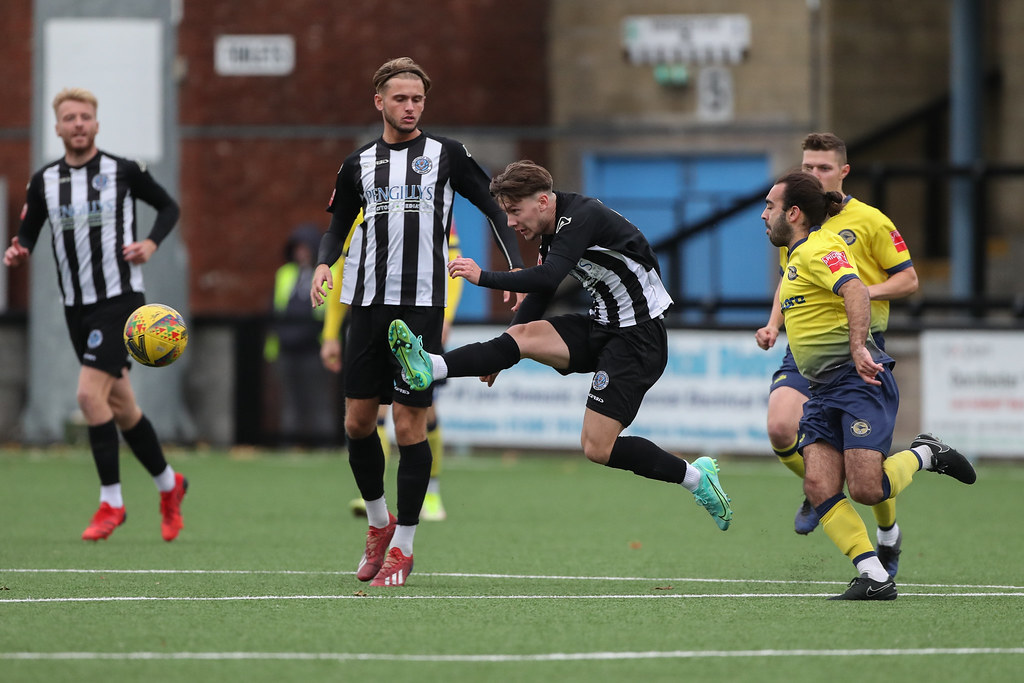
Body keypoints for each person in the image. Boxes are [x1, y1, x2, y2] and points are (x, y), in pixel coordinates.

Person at [389, 160, 734, 537]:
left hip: (638, 338)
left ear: (542, 201)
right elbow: (542, 292)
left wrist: (482, 276)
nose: (510, 222)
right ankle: (431, 366)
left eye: (514, 211)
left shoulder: (580, 217)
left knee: (597, 447)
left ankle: (697, 478)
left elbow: (549, 276)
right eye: (506, 213)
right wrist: (504, 352)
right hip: (601, 325)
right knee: (521, 337)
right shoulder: (555, 230)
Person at [309, 58, 525, 587]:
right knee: (358, 423)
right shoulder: (358, 163)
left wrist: (514, 270)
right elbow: (337, 226)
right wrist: (322, 263)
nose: (410, 107)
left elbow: (496, 208)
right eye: (400, 98)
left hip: (422, 306)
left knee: (409, 425)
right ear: (378, 101)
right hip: (367, 305)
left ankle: (404, 545)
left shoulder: (446, 155)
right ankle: (379, 524)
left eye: (418, 99)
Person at [759, 170, 975, 600]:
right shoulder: (797, 255)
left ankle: (926, 454)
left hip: (856, 381)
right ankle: (875, 576)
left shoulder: (821, 247)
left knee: (866, 488)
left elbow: (855, 290)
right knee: (819, 485)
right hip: (822, 390)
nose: (764, 215)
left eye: (770, 206)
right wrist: (773, 325)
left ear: (794, 213)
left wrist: (859, 346)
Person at [3, 87, 188, 542]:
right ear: (59, 127)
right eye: (70, 117)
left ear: (97, 124)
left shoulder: (122, 171)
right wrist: (18, 249)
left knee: (89, 397)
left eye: (85, 116)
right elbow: (28, 229)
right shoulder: (44, 180)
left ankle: (112, 502)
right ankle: (170, 484)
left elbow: (169, 206)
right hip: (76, 307)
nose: (79, 123)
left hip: (121, 302)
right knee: (122, 406)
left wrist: (150, 244)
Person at [755, 133, 919, 577]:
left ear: (843, 172)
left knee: (867, 482)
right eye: (807, 167)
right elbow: (790, 281)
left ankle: (890, 524)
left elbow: (904, 281)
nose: (814, 174)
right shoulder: (800, 232)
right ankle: (862, 558)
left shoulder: (867, 223)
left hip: (854, 350)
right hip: (812, 355)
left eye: (823, 168)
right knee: (781, 429)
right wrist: (774, 323)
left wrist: (858, 326)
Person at [321, 215, 464, 521]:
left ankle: (433, 493)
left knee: (423, 413)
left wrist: (446, 318)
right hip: (373, 325)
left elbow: (453, 263)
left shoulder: (429, 199)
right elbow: (343, 272)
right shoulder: (360, 209)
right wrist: (330, 333)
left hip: (417, 322)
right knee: (376, 412)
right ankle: (374, 495)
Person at [265, 223, 334, 447]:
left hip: (314, 350)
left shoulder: (327, 275)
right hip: (286, 350)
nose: (301, 253)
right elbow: (275, 310)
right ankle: (289, 446)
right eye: (297, 248)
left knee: (318, 401)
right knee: (289, 403)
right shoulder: (284, 274)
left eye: (305, 248)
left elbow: (329, 312)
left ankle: (325, 447)